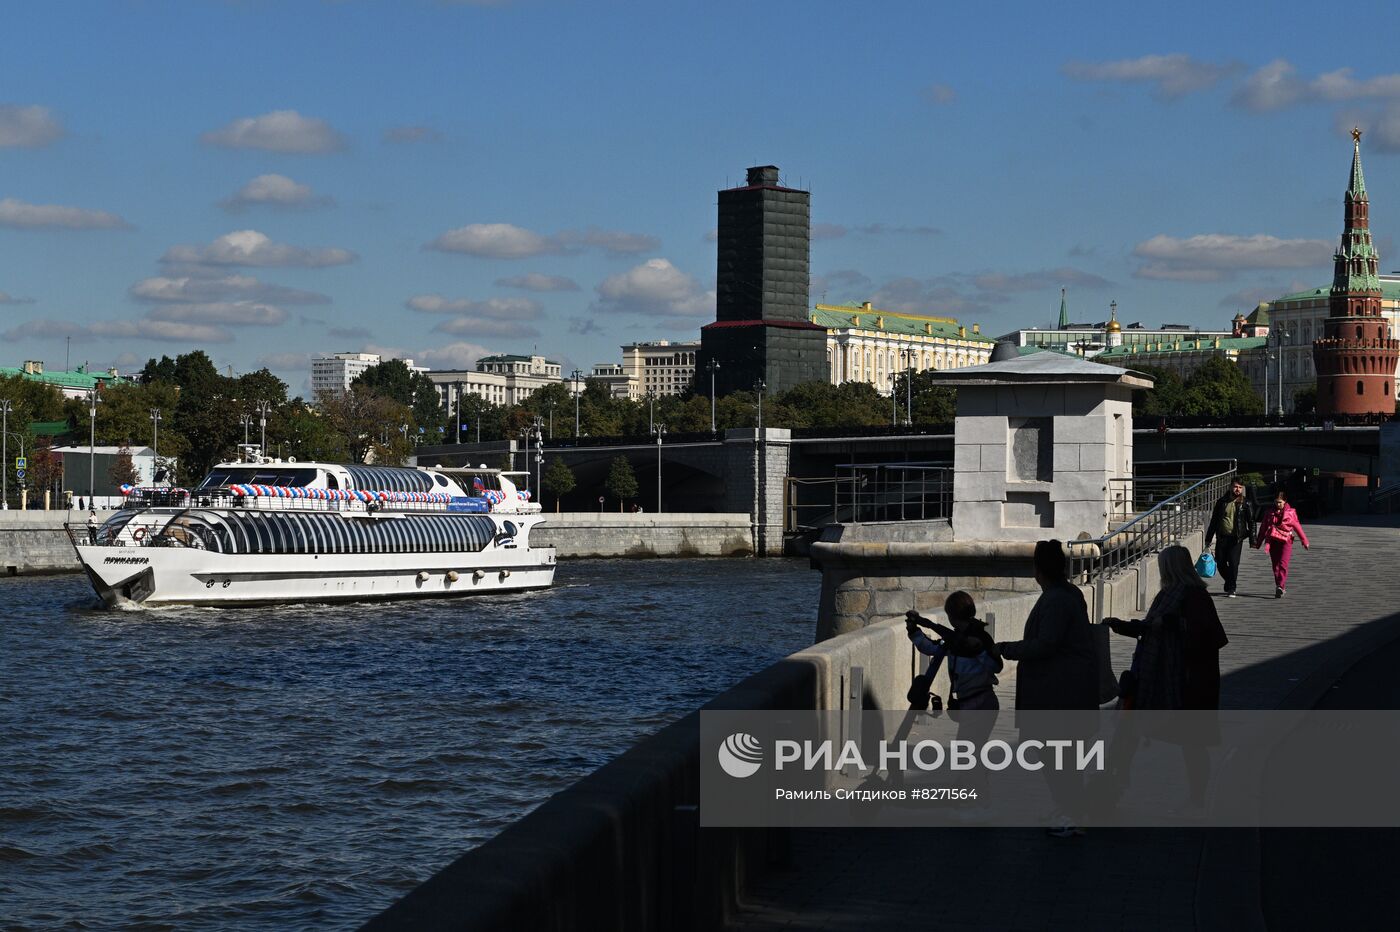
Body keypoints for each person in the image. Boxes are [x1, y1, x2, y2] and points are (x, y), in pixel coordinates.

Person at [1104, 545, 1229, 811]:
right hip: (1161, 678)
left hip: (1189, 683)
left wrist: (1175, 626)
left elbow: (1213, 636)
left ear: (1171, 568)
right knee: (1130, 731)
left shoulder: (1195, 597)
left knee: (1193, 744)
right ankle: (1112, 789)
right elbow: (1153, 628)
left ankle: (1196, 800)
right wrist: (1121, 626)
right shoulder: (1168, 595)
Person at [997, 539, 1099, 836]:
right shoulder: (1070, 593)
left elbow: (1046, 644)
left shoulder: (1055, 599)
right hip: (1069, 691)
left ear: (1038, 570)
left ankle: (1071, 814)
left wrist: (1005, 648)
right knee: (1064, 758)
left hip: (1058, 694)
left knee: (1057, 758)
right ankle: (1067, 809)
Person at [905, 592, 1003, 713]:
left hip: (982, 702)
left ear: (951, 617)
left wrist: (979, 651)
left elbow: (997, 666)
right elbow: (932, 648)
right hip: (969, 702)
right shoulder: (955, 639)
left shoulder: (980, 637)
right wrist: (913, 631)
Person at [1203, 477, 1256, 598]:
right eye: (1235, 486)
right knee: (1220, 563)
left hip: (1236, 538)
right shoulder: (1222, 502)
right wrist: (1208, 538)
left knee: (1233, 563)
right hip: (1222, 537)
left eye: (1240, 487)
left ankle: (1232, 588)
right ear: (1230, 487)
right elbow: (1214, 521)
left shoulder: (1246, 503)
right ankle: (1229, 581)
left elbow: (1252, 522)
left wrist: (1253, 539)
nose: (1237, 489)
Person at [1253, 488, 1310, 598]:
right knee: (1275, 566)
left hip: (1286, 542)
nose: (1278, 504)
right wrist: (1258, 542)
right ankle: (1279, 586)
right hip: (1273, 541)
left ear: (1285, 501)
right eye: (1276, 502)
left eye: (1280, 502)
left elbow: (1297, 526)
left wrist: (1304, 541)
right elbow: (1263, 528)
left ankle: (1281, 586)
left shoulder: (1290, 513)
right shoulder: (1269, 513)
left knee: (1283, 564)